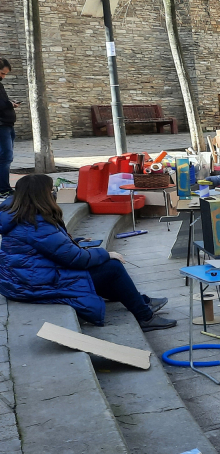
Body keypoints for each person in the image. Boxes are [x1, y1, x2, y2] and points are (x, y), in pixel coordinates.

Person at [0, 175, 176, 332]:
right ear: (41, 195)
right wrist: (106, 254)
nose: (54, 193)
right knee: (112, 267)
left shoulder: (21, 216)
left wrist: (75, 242)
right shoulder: (36, 224)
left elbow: (50, 249)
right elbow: (76, 259)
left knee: (103, 267)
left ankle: (140, 301)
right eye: (51, 190)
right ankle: (145, 317)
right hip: (32, 285)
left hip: (24, 279)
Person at [0, 58, 18, 198]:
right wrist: (9, 105)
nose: (3, 77)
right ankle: (3, 189)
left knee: (7, 157)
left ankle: (4, 187)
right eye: (2, 73)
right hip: (1, 126)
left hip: (7, 124)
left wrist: (9, 103)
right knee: (5, 157)